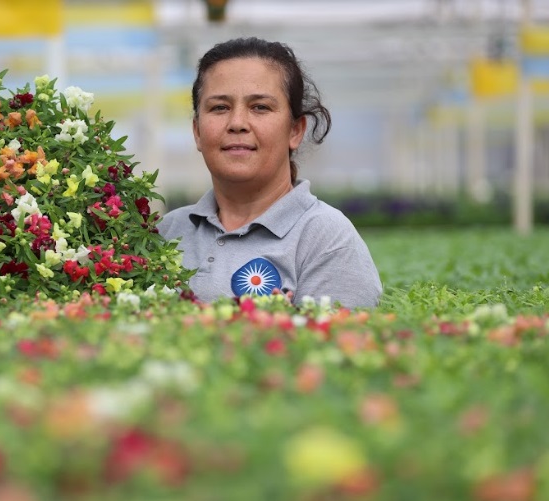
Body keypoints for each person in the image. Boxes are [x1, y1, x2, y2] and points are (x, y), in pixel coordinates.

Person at [157, 37, 382, 308]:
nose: (237, 123)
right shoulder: (169, 231)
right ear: (197, 132)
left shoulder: (325, 238)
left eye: (260, 107)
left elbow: (340, 344)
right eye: (219, 107)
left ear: (295, 130)